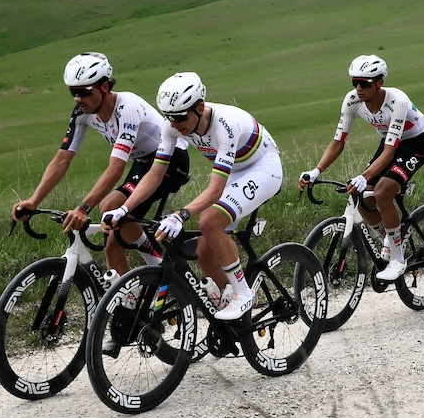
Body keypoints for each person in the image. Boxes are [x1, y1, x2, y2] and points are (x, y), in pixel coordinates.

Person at [15, 53, 189, 280]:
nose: (78, 99)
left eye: (84, 92)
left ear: (104, 87)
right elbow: (62, 160)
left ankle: (167, 275)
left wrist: (83, 209)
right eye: (73, 92)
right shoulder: (83, 113)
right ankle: (129, 296)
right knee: (112, 244)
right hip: (143, 162)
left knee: (110, 206)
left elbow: (116, 168)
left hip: (171, 160)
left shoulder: (126, 107)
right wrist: (33, 201)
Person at [148, 72, 283, 320]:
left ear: (200, 108)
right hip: (236, 171)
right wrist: (124, 210)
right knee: (204, 250)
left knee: (209, 221)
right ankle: (229, 311)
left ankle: (244, 293)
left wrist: (181, 215)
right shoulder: (173, 125)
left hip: (263, 168)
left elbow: (216, 190)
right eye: (169, 117)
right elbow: (155, 174)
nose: (174, 124)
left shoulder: (224, 125)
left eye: (180, 117)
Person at [299, 55, 424, 284]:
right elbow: (338, 141)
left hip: (415, 144)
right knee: (363, 197)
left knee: (382, 192)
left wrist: (363, 176)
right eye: (355, 83)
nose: (358, 89)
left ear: (379, 83)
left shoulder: (397, 101)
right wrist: (316, 170)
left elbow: (389, 152)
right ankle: (390, 238)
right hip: (390, 142)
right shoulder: (352, 100)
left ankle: (398, 260)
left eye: (364, 83)